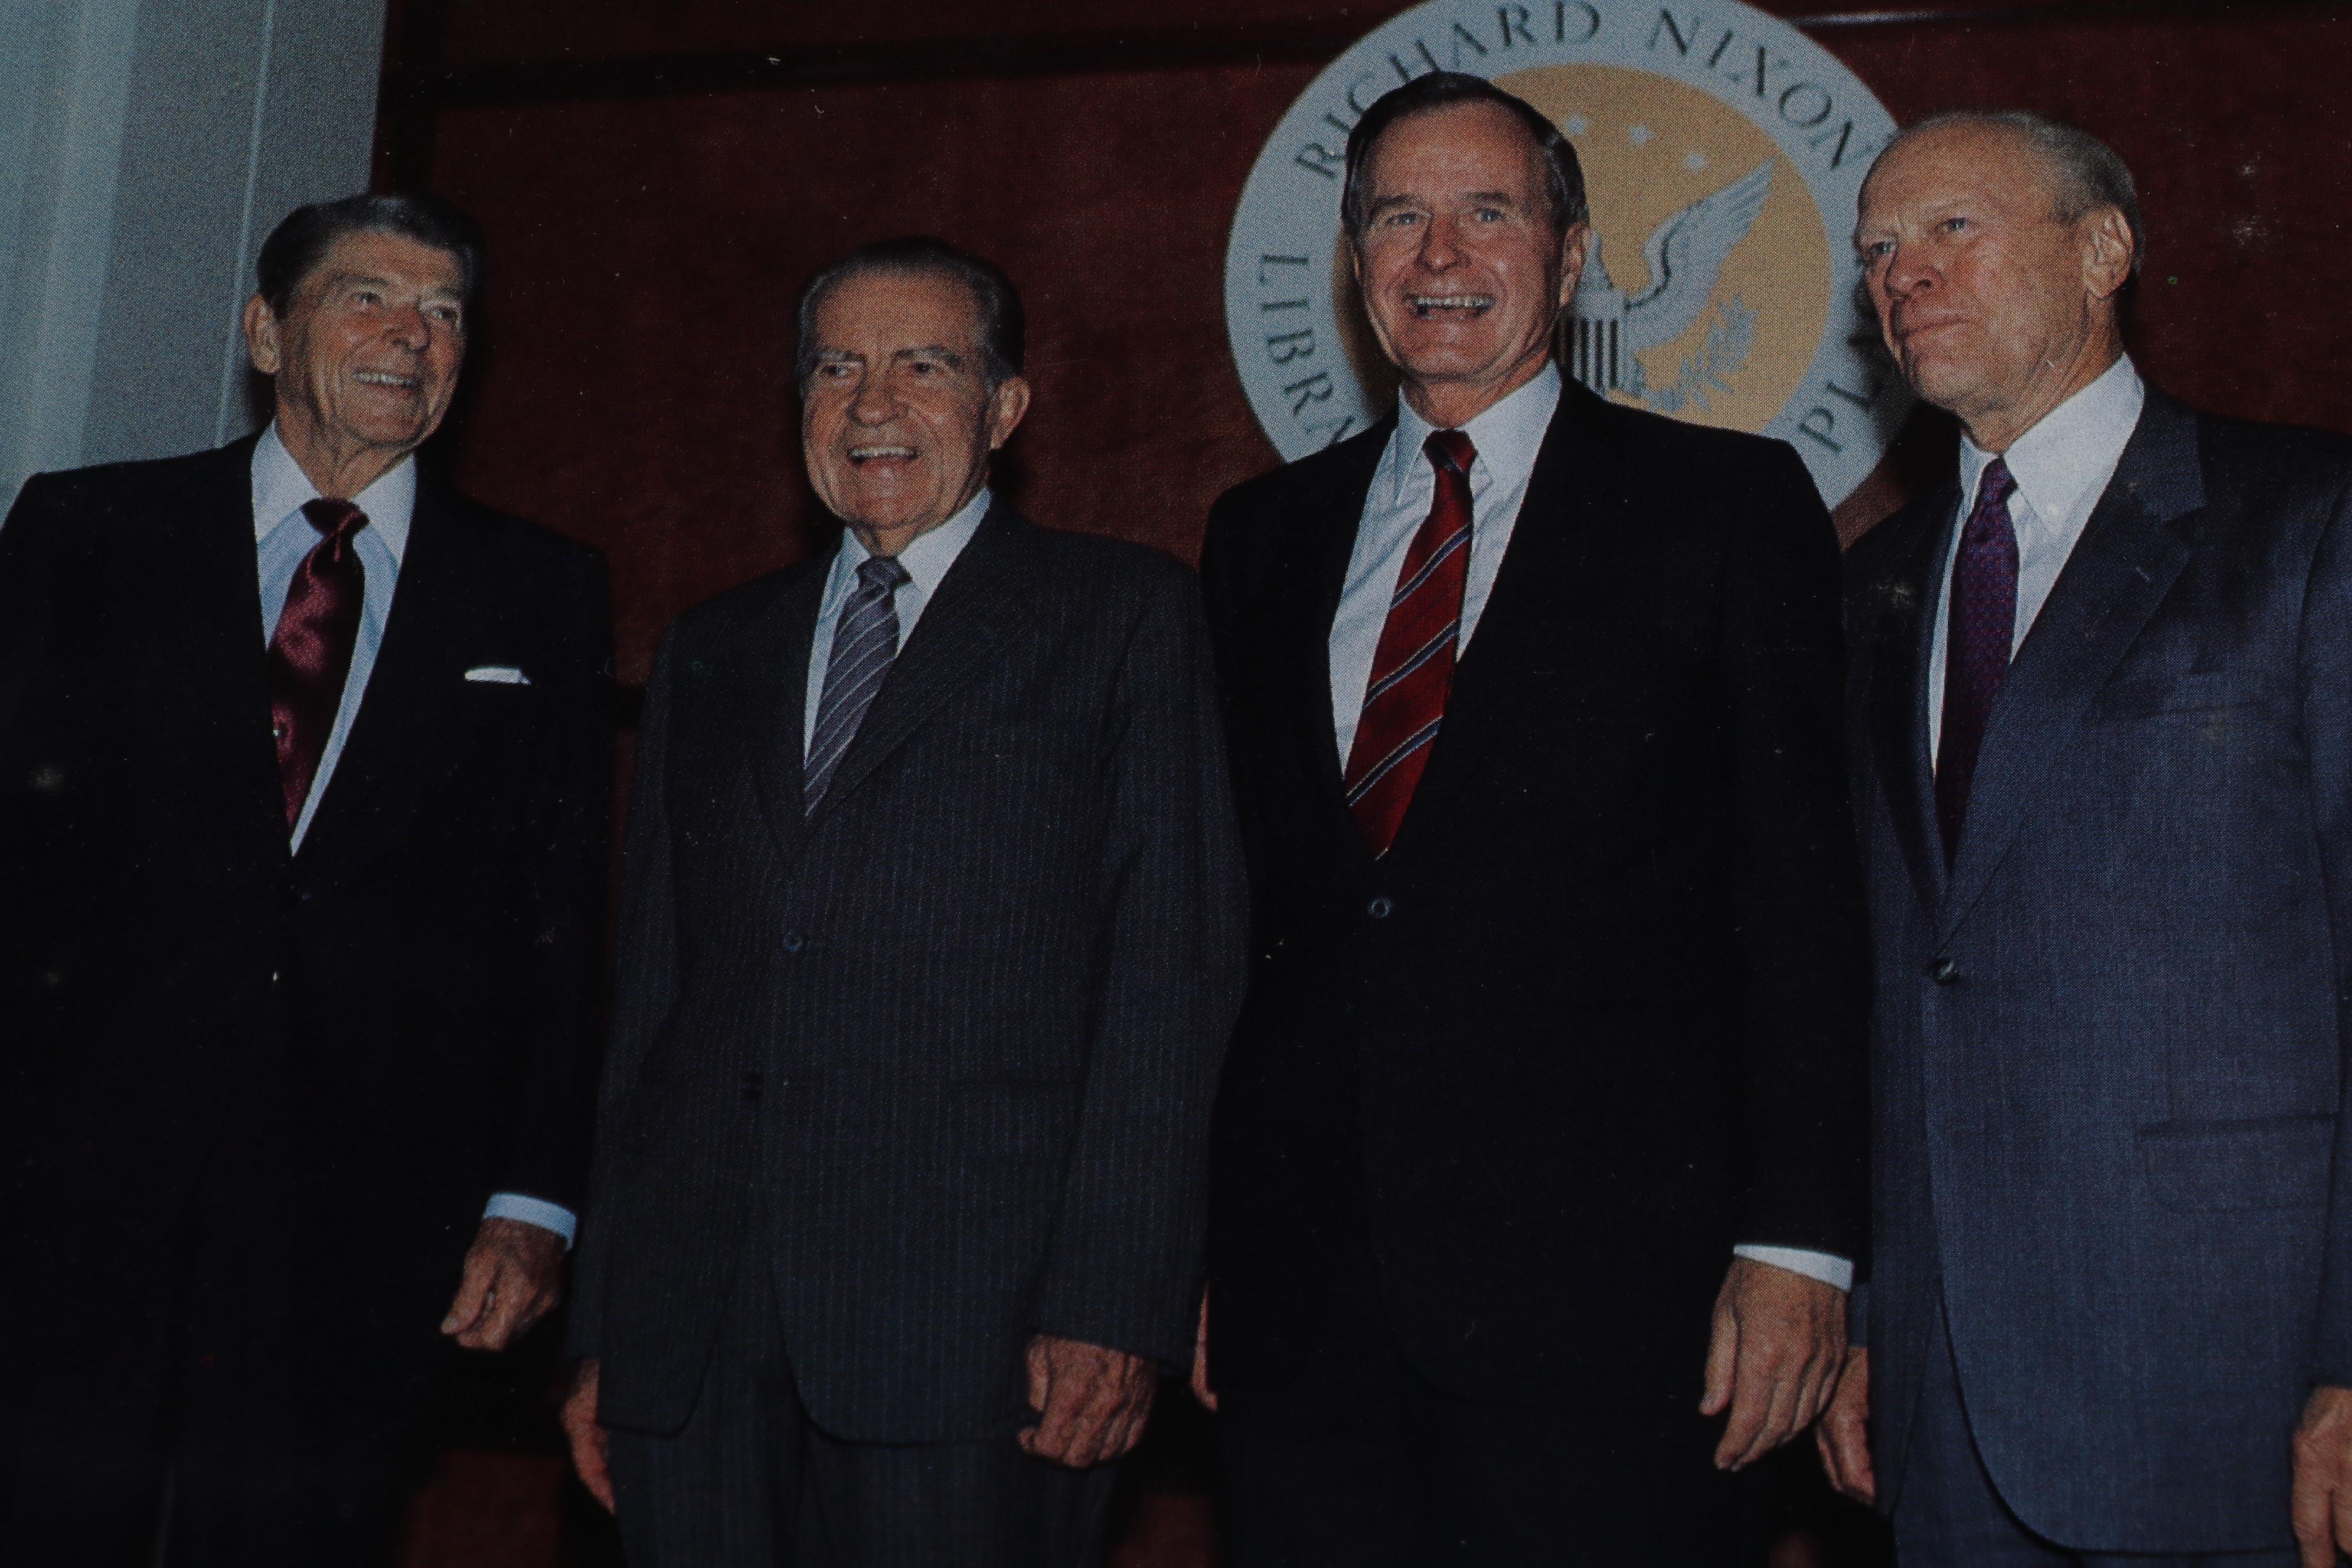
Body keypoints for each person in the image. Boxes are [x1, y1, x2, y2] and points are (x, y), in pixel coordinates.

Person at [1194, 71, 1870, 1564]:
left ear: (1568, 259)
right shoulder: (1261, 538)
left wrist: (1802, 1242)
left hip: (1623, 1319)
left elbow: (1807, 904)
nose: (1440, 257)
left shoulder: (1727, 506)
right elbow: (1244, 923)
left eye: (1487, 213)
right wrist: (1210, 1251)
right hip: (1309, 1318)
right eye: (1398, 217)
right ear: (1356, 263)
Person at [558, 236, 1246, 1567]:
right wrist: (603, 1329)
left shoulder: (1121, 618)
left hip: (979, 1337)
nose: (873, 404)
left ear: (1004, 408)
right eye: (836, 367)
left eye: (923, 366)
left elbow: (1172, 978)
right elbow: (650, 1004)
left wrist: (1116, 1301)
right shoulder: (714, 645)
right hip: (693, 1335)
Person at [0, 193, 611, 1565]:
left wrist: (535, 1200)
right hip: (69, 1195)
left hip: (364, 1227)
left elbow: (560, 926)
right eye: (371, 296)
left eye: (447, 311)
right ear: (268, 331)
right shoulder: (89, 532)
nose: (414, 335)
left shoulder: (539, 591)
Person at [1818, 109, 2352, 1567]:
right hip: (1946, 1402)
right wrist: (1878, 1319)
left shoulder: (2307, 523)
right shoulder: (1871, 588)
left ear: (2104, 250)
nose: (1902, 275)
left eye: (1951, 230)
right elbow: (1904, 977)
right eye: (1876, 249)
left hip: (2236, 1392)